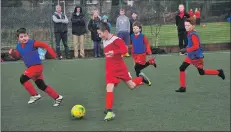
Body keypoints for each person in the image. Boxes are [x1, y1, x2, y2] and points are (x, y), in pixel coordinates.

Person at [97, 23, 151, 121]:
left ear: (106, 32)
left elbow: (124, 49)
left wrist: (114, 52)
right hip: (110, 68)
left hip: (120, 67)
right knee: (109, 86)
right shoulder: (104, 40)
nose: (99, 36)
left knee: (131, 86)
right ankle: (109, 111)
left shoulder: (116, 40)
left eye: (100, 34)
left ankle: (141, 78)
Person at [8, 28, 63, 106]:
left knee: (22, 79)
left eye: (25, 36)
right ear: (18, 38)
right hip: (32, 69)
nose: (24, 38)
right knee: (41, 85)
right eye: (21, 37)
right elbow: (17, 56)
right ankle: (57, 97)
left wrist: (54, 55)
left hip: (36, 67)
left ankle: (34, 95)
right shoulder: (18, 47)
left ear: (28, 36)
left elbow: (46, 46)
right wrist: (12, 53)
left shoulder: (33, 43)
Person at [176, 18, 225, 92]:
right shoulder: (189, 33)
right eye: (185, 25)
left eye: (188, 25)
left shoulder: (193, 35)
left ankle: (219, 72)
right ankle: (183, 87)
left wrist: (186, 50)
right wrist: (185, 50)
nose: (186, 27)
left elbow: (196, 46)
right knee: (182, 68)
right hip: (190, 56)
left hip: (197, 57)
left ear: (193, 26)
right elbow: (190, 45)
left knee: (201, 72)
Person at [130, 21, 157, 85]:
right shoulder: (132, 36)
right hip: (135, 54)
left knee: (137, 67)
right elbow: (133, 44)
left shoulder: (142, 36)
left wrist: (149, 51)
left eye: (136, 28)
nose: (134, 29)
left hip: (141, 54)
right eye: (133, 28)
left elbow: (147, 44)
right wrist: (132, 52)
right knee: (137, 69)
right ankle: (140, 79)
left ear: (140, 29)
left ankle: (144, 80)